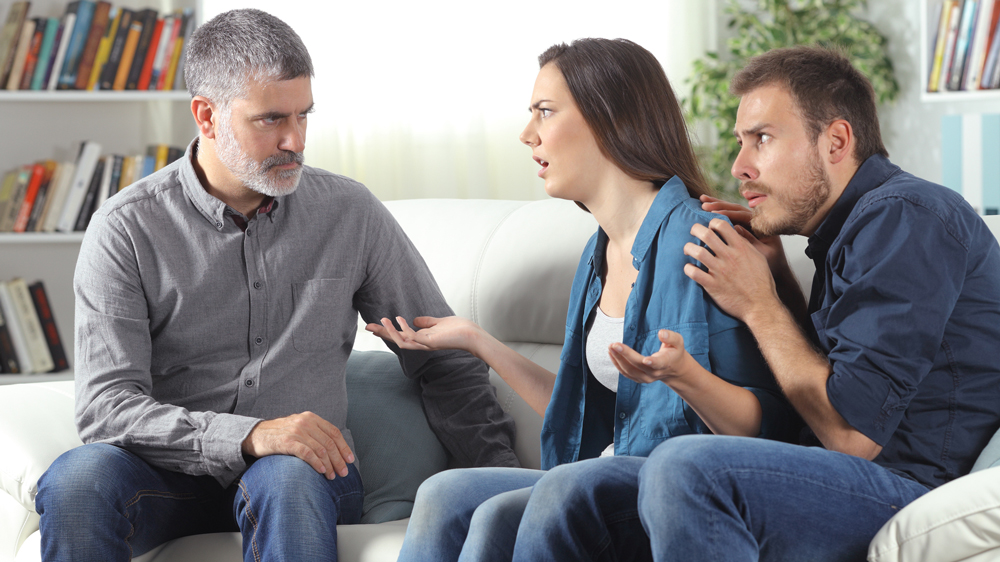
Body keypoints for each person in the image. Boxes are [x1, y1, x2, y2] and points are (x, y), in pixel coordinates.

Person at [33, 9, 518, 562]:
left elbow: (443, 356)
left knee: (285, 475)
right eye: (269, 120)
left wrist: (502, 481)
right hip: (164, 476)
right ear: (206, 116)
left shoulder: (349, 213)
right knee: (78, 480)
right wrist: (248, 434)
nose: (294, 140)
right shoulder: (126, 228)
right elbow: (107, 408)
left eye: (303, 116)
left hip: (302, 479)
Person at [509, 45, 1000, 562]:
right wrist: (780, 279)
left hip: (902, 489)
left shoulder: (905, 217)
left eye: (762, 139)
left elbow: (852, 434)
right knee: (536, 494)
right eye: (741, 143)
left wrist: (759, 304)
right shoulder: (846, 235)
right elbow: (831, 378)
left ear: (836, 141)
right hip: (846, 478)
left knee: (684, 465)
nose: (740, 167)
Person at [366, 38, 800, 562]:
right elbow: (576, 414)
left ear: (607, 118)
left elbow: (767, 429)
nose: (527, 135)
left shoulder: (704, 244)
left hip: (672, 490)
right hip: (600, 473)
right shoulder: (599, 257)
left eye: (544, 113)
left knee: (513, 509)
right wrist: (477, 341)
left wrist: (684, 375)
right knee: (443, 492)